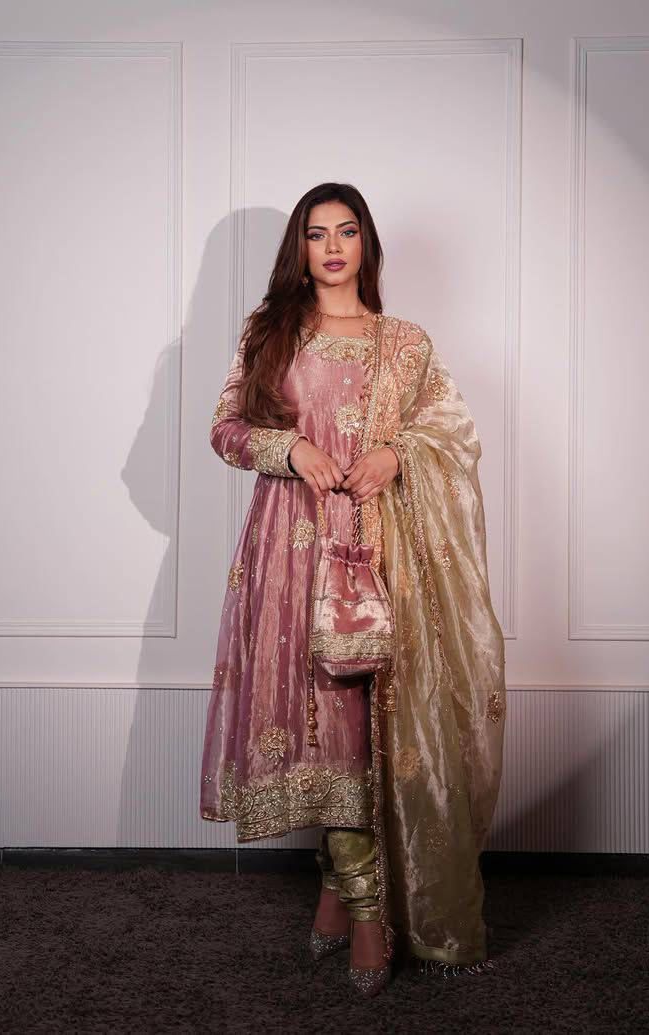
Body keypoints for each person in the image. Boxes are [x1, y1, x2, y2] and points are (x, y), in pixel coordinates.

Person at [200, 182, 507, 996]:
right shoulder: (272, 333)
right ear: (299, 249)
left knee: (384, 727)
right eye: (316, 234)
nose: (332, 247)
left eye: (346, 231)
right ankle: (368, 912)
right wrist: (289, 449)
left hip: (387, 552)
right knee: (329, 726)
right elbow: (225, 428)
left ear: (366, 242)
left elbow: (452, 432)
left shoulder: (404, 343)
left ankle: (341, 892)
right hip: (292, 551)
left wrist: (397, 453)